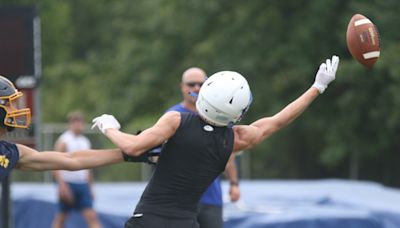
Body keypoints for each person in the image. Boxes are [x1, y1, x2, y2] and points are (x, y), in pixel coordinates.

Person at [92, 55, 339, 228]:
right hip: (185, 223)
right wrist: (317, 87)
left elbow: (132, 146)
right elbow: (277, 121)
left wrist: (109, 127)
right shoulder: (235, 139)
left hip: (148, 218)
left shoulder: (176, 120)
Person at [0, 75, 126, 182]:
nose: (16, 110)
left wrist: (126, 154)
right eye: (9, 104)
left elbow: (72, 159)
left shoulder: (7, 152)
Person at [166, 67, 240, 228]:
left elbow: (227, 153)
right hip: (180, 199)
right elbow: (157, 153)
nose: (196, 88)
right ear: (182, 86)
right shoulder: (173, 116)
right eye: (191, 84)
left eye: (201, 84)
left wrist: (234, 183)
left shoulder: (218, 115)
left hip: (211, 197)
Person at [52, 111, 101, 228]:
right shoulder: (64, 140)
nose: (78, 126)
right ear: (71, 124)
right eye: (75, 123)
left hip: (82, 184)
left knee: (91, 216)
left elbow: (88, 167)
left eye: (80, 123)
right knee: (62, 217)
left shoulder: (85, 142)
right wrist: (61, 185)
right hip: (68, 184)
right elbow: (54, 163)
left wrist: (91, 187)